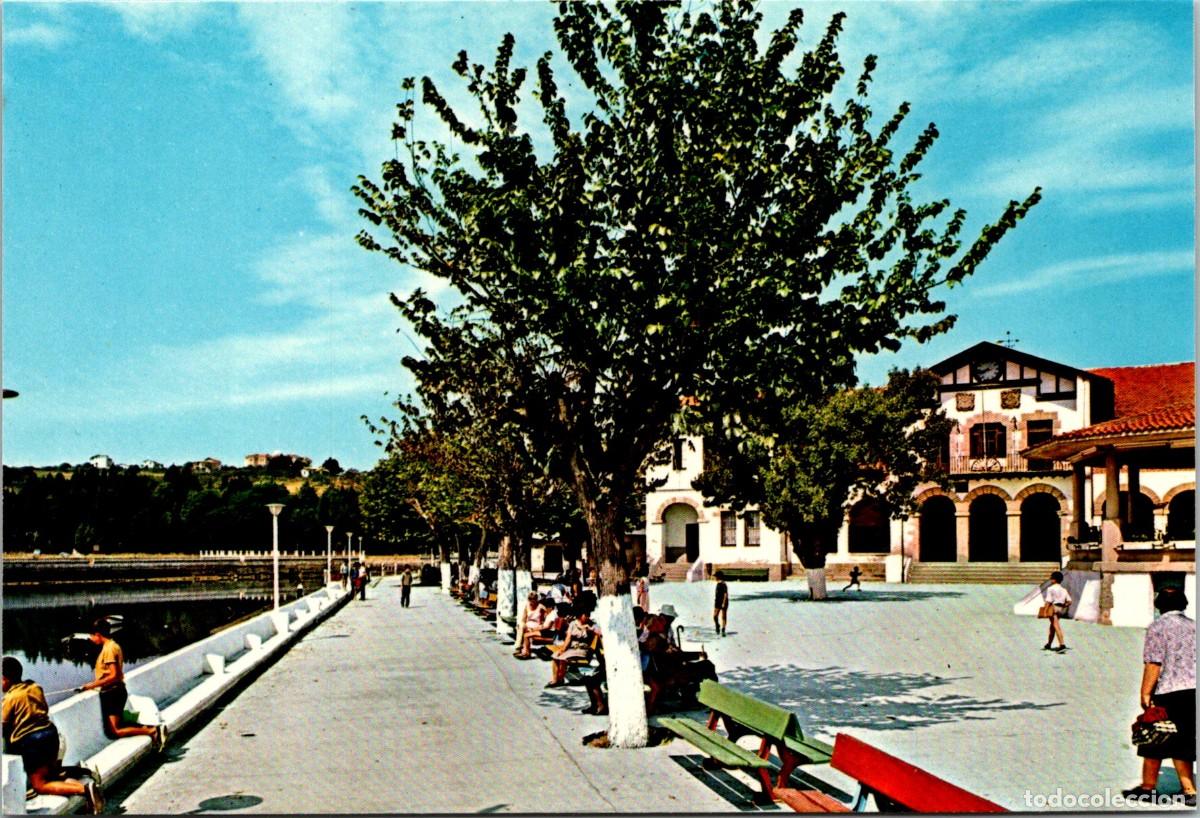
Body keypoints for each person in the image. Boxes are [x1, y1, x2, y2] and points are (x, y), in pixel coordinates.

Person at [1122, 587, 1196, 806]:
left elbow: (1154, 662)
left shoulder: (1157, 627)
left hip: (1169, 689)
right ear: (1184, 604)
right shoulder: (1194, 627)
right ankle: (1189, 791)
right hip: (1194, 691)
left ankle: (1148, 788)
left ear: (1159, 605)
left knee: (1155, 736)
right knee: (1184, 739)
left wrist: (1145, 692)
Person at [2, 656, 104, 813]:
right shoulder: (35, 687)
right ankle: (84, 774)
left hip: (34, 743)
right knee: (52, 775)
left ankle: (85, 789)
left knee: (40, 785)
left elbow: (4, 724)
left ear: (6, 679)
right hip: (51, 734)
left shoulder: (10, 698)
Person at [76, 619, 166, 750]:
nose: (91, 639)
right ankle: (150, 729)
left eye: (92, 636)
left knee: (115, 731)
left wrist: (90, 686)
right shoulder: (113, 646)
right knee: (117, 725)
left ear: (98, 634)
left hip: (113, 693)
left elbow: (114, 675)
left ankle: (151, 731)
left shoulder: (109, 650)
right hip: (114, 691)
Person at [547, 610, 598, 688]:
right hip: (572, 648)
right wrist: (562, 649)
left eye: (588, 615)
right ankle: (556, 679)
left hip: (582, 649)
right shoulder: (573, 624)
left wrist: (590, 630)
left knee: (562, 657)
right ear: (580, 615)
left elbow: (596, 635)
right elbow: (568, 638)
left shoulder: (590, 625)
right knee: (555, 655)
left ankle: (560, 679)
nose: (587, 617)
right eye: (585, 615)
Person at [1041, 570, 1071, 652]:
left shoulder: (1051, 588)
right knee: (1052, 626)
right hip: (1060, 608)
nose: (1050, 579)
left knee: (1056, 626)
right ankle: (1049, 644)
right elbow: (1069, 601)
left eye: (1051, 578)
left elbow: (1048, 600)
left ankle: (1062, 644)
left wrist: (1045, 611)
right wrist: (1064, 606)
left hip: (1053, 608)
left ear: (1054, 579)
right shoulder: (1064, 590)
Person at [513, 591, 543, 658]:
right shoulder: (527, 606)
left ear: (536, 599)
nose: (531, 601)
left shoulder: (540, 607)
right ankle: (518, 647)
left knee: (527, 631)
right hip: (528, 624)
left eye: (533, 599)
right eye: (530, 599)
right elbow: (523, 618)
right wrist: (523, 624)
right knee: (521, 626)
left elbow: (544, 620)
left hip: (536, 625)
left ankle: (525, 651)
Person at [713, 571, 729, 636]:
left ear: (719, 577)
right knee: (715, 616)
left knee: (723, 616)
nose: (715, 578)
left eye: (716, 576)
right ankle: (717, 625)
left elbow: (725, 594)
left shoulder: (723, 584)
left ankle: (723, 629)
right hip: (717, 601)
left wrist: (724, 603)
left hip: (723, 602)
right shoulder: (717, 584)